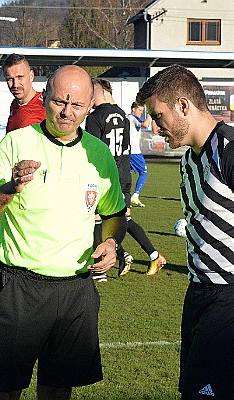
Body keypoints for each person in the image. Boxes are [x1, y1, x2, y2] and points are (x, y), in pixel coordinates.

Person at [0, 65, 127, 400]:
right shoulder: (16, 143)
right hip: (21, 289)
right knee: (4, 389)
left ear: (89, 106)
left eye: (77, 106)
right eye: (59, 102)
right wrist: (10, 187)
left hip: (76, 291)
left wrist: (112, 241)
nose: (67, 112)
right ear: (45, 98)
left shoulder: (99, 154)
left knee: (58, 389)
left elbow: (114, 213)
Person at [136, 64, 234, 399]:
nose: (154, 125)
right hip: (199, 293)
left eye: (158, 115)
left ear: (183, 105)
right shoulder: (188, 160)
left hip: (228, 295)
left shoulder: (229, 150)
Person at [86, 78, 166, 277]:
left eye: (90, 94)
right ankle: (141, 255)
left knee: (98, 219)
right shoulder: (122, 115)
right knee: (121, 219)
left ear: (99, 92)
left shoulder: (95, 117)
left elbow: (92, 154)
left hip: (103, 177)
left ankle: (102, 269)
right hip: (122, 175)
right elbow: (125, 151)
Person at [3, 53, 46, 133]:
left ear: (31, 76)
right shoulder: (14, 104)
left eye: (20, 77)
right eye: (10, 79)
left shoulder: (45, 106)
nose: (15, 85)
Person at [127, 101, 151, 207]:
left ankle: (125, 198)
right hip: (134, 152)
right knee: (144, 172)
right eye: (140, 110)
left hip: (128, 151)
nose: (141, 113)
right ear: (133, 109)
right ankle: (135, 196)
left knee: (126, 175)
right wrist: (151, 113)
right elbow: (145, 124)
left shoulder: (128, 118)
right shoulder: (132, 118)